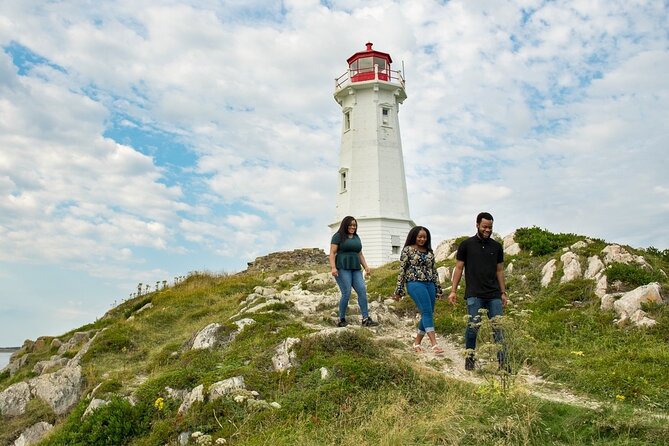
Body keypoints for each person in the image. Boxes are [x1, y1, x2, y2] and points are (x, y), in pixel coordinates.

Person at [448, 212, 508, 371]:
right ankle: (470, 358)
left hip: (494, 294)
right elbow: (459, 268)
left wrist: (503, 292)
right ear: (477, 225)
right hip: (474, 294)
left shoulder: (496, 246)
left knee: (499, 329)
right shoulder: (466, 245)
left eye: (490, 227)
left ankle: (503, 364)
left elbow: (500, 270)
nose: (488, 230)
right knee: (473, 327)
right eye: (485, 227)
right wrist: (453, 291)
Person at [394, 226, 445, 354]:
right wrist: (399, 290)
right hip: (414, 284)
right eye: (420, 237)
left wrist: (438, 289)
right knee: (427, 312)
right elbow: (402, 270)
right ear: (414, 236)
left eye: (424, 237)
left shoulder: (429, 252)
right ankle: (434, 344)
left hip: (430, 284)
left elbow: (434, 271)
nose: (422, 239)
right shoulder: (408, 250)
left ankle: (417, 343)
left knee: (428, 312)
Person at [329, 216, 379, 327]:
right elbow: (332, 253)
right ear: (345, 225)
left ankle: (366, 319)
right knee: (346, 293)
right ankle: (341, 319)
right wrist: (333, 267)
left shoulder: (357, 237)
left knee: (362, 291)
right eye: (350, 225)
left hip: (356, 268)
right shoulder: (338, 236)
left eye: (354, 225)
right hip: (342, 267)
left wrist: (366, 266)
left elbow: (360, 254)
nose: (353, 227)